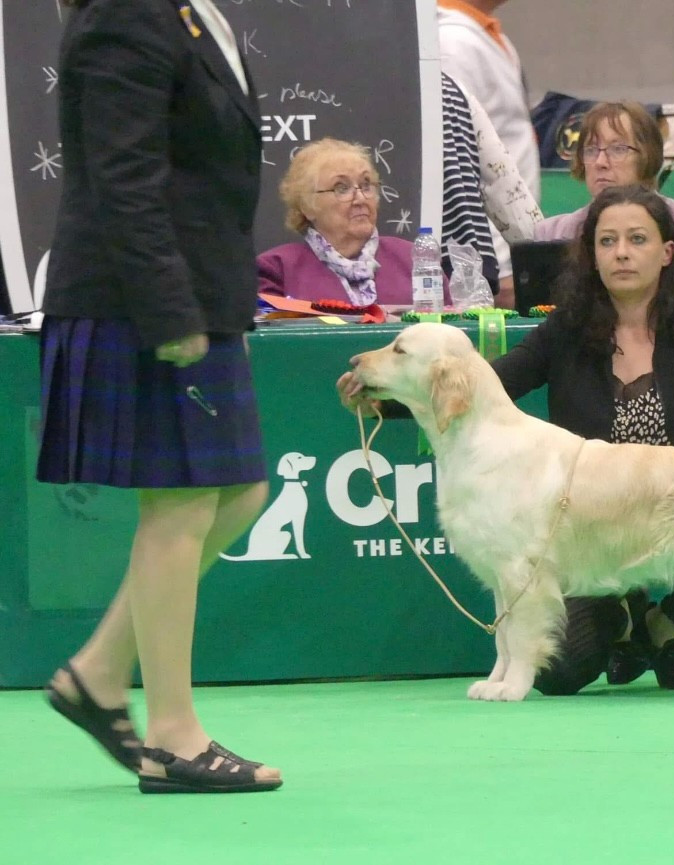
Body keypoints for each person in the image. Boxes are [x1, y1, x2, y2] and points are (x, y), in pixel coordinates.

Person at [339, 184, 674, 694]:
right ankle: (621, 622)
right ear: (591, 255)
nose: (621, 252)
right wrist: (384, 399)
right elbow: (490, 383)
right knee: (561, 671)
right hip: (593, 523)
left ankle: (663, 627)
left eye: (637, 239)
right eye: (607, 241)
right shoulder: (566, 330)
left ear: (666, 253)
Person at [39, 0, 280, 792]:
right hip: (138, 297)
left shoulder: (190, 10)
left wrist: (218, 303)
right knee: (178, 504)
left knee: (241, 491)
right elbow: (122, 174)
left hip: (196, 292)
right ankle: (173, 740)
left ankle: (99, 673)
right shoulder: (125, 12)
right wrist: (170, 308)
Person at [534, 101, 674, 310]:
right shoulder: (550, 233)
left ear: (647, 154)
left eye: (617, 149)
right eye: (591, 150)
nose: (600, 162)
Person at [257, 138, 448, 308]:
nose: (360, 199)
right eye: (341, 188)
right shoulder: (276, 270)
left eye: (366, 185)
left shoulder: (414, 259)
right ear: (307, 205)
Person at [438, 0, 541, 305]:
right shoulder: (450, 44)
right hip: (498, 260)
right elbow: (458, 164)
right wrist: (500, 264)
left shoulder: (490, 36)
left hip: (516, 245)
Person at [441, 71, 542, 290]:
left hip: (457, 269)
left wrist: (543, 258)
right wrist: (546, 264)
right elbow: (501, 184)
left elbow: (501, 183)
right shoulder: (452, 90)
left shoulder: (451, 91)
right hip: (459, 261)